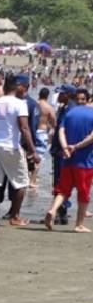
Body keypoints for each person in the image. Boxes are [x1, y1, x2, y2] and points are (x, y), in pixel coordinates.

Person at [0, 74, 40, 226]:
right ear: (16, 87)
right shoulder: (19, 104)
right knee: (21, 183)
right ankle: (15, 216)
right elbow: (24, 128)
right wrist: (33, 151)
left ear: (4, 86)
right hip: (11, 147)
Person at [45, 88, 93, 233]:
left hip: (68, 160)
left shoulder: (69, 113)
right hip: (84, 161)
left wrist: (66, 148)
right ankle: (79, 224)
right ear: (88, 100)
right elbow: (92, 137)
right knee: (83, 193)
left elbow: (60, 131)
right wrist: (76, 147)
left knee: (63, 190)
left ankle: (53, 210)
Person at [50, 85, 77, 225]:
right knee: (58, 181)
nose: (59, 96)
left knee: (61, 181)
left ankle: (62, 212)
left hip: (63, 151)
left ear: (68, 95)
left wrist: (64, 149)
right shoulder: (63, 108)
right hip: (58, 150)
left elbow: (67, 131)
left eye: (61, 94)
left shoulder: (71, 110)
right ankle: (60, 211)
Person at [33, 87, 56, 187]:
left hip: (32, 131)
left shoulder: (34, 104)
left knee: (30, 155)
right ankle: (33, 180)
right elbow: (54, 121)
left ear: (39, 94)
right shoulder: (49, 107)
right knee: (39, 157)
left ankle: (31, 177)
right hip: (42, 132)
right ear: (47, 96)